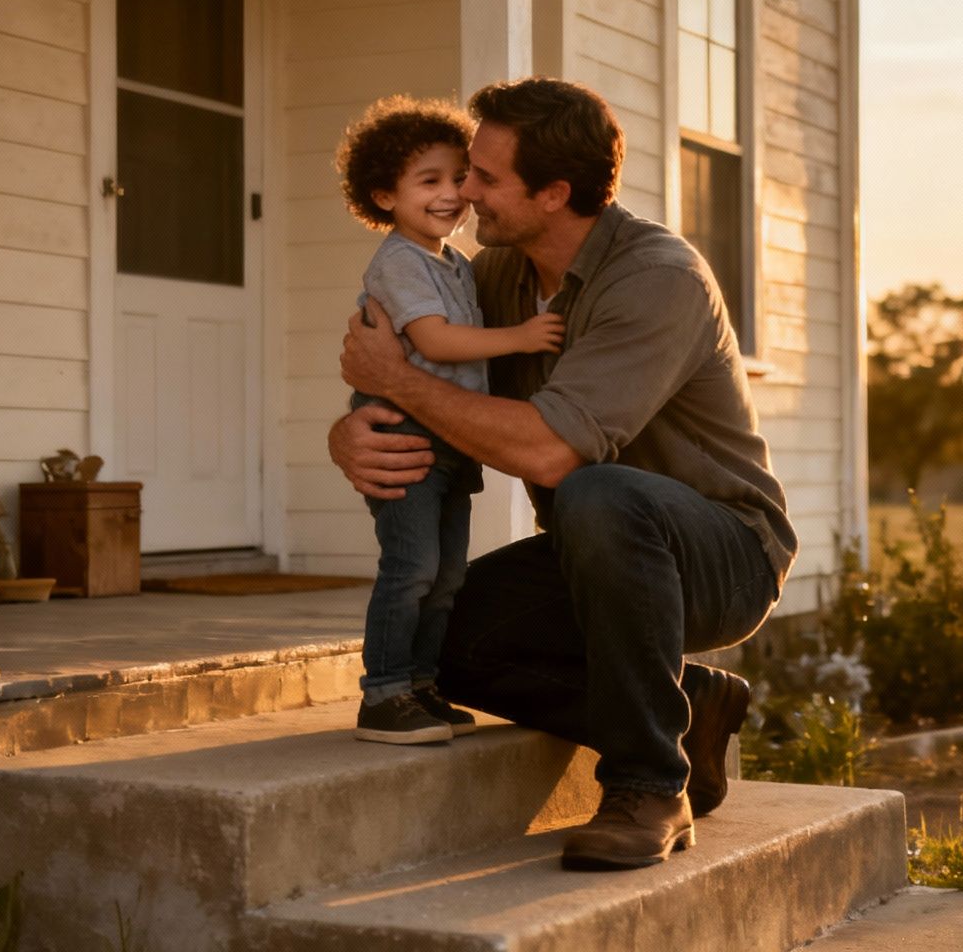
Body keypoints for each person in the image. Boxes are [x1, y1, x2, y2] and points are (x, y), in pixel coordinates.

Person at [332, 77, 795, 871]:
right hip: (595, 550)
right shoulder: (496, 280)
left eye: (484, 177)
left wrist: (406, 385)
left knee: (594, 486)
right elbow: (410, 367)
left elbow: (550, 452)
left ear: (553, 193)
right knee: (444, 644)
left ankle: (650, 784)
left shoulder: (656, 279)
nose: (465, 192)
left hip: (723, 551)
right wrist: (353, 429)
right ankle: (690, 709)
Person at [334, 96, 565, 746]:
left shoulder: (454, 263)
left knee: (447, 576)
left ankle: (422, 685)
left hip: (451, 443)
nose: (451, 194)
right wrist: (521, 337)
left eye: (457, 179)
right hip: (403, 440)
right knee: (410, 569)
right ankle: (383, 695)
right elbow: (433, 342)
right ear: (384, 195)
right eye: (428, 181)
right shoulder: (399, 262)